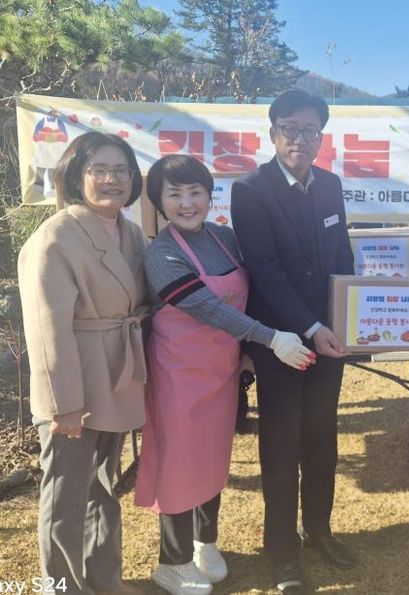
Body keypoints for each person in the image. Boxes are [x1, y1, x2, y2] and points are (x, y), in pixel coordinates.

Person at [134, 155, 314, 595]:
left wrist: (250, 351)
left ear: (209, 194)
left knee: (213, 457)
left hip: (223, 370)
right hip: (178, 374)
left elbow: (251, 291)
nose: (187, 203)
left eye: (195, 191)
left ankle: (205, 541)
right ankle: (172, 561)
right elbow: (209, 308)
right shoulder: (163, 254)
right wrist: (271, 339)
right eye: (174, 194)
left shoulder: (225, 238)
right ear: (158, 201)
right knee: (179, 462)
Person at [230, 89, 356, 594]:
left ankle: (319, 530)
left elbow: (342, 256)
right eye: (290, 129)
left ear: (321, 137)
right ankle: (283, 550)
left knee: (322, 437)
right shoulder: (250, 189)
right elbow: (266, 272)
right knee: (281, 445)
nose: (300, 139)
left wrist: (350, 320)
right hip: (280, 340)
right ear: (273, 133)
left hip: (329, 337)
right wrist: (311, 328)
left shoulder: (330, 184)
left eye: (310, 131)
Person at [18, 132, 148, 595]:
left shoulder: (132, 232)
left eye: (121, 170)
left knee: (104, 486)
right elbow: (46, 328)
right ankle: (62, 588)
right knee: (66, 495)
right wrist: (64, 404)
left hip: (117, 377)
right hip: (75, 383)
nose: (113, 180)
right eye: (100, 170)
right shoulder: (55, 237)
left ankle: (104, 578)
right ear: (76, 176)